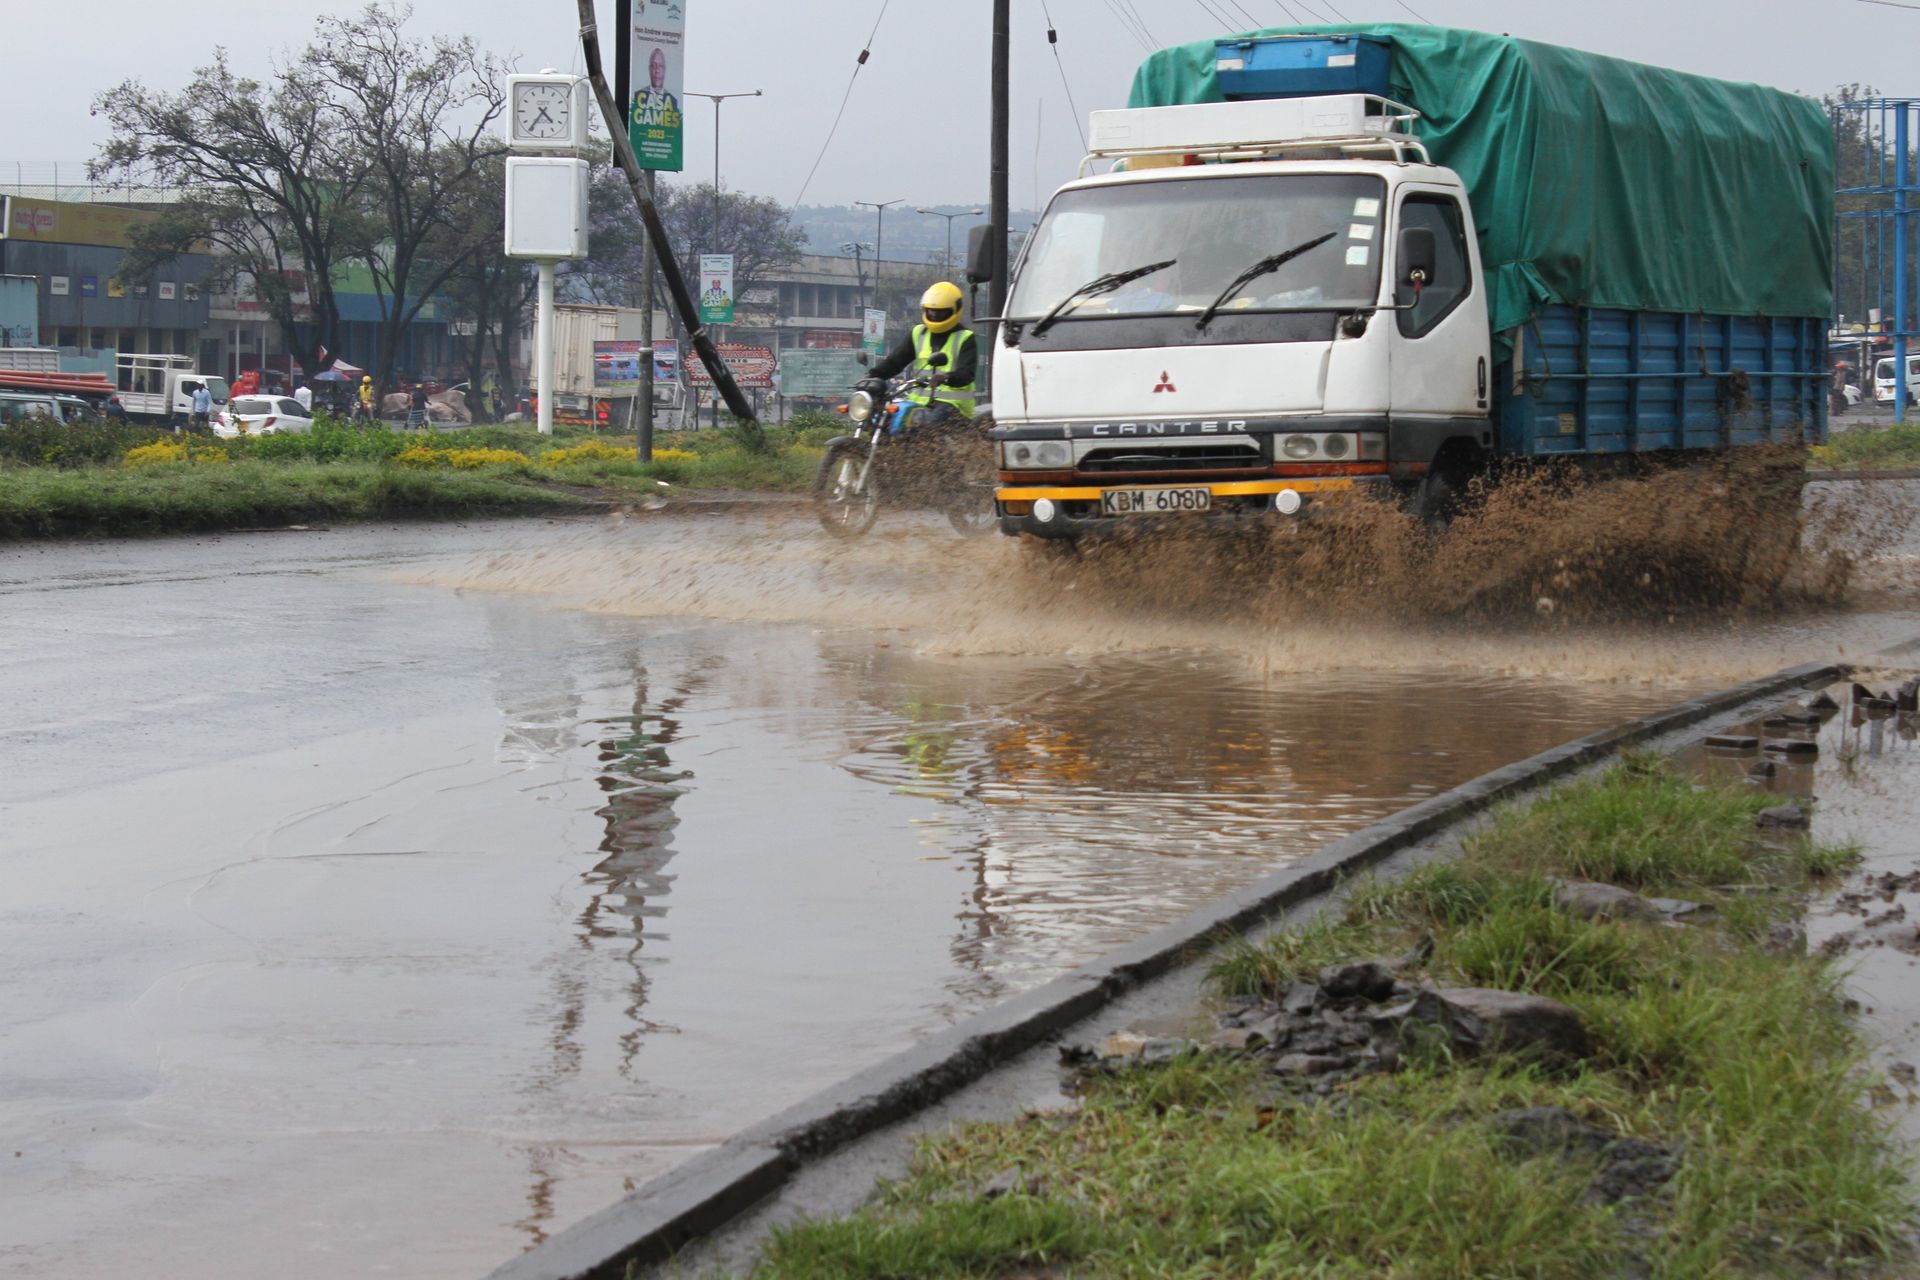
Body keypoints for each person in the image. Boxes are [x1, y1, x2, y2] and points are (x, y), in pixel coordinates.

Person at [864, 281, 977, 430]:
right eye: (930, 311)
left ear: (955, 310)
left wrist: (947, 377)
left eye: (941, 312)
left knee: (928, 427)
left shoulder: (965, 338)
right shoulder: (918, 333)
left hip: (954, 407)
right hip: (919, 403)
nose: (934, 315)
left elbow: (967, 373)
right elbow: (895, 362)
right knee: (883, 422)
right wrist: (872, 376)